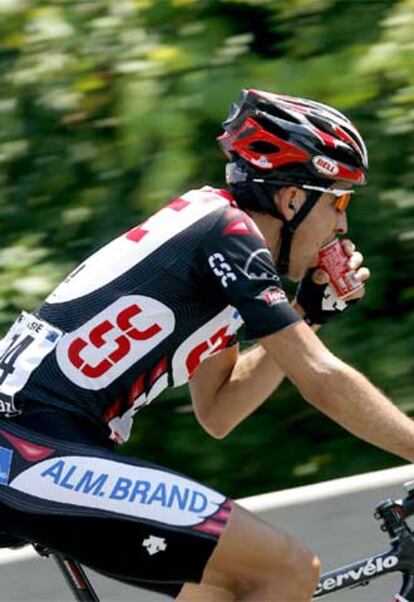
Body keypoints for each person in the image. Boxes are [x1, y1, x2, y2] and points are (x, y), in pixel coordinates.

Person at [0, 88, 412, 602]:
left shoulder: (216, 251)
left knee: (218, 589)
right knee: (284, 571)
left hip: (39, 448)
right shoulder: (227, 233)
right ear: (291, 200)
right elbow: (321, 379)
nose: (344, 223)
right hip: (31, 446)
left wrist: (307, 314)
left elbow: (219, 410)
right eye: (339, 201)